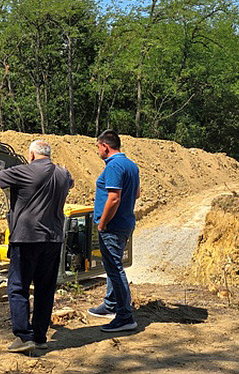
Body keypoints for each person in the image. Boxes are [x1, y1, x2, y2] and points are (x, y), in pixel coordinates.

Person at [0, 140, 73, 353]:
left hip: (27, 239)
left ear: (31, 154)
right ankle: (39, 336)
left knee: (17, 287)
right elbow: (69, 181)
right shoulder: (63, 175)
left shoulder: (25, 171)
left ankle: (23, 335)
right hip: (54, 240)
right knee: (45, 290)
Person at [87, 129, 140, 332]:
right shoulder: (131, 165)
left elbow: (114, 198)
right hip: (125, 222)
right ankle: (110, 304)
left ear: (105, 146)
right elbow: (135, 194)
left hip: (113, 226)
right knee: (113, 266)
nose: (98, 152)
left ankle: (125, 316)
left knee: (115, 269)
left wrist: (102, 223)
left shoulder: (114, 166)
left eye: (98, 147)